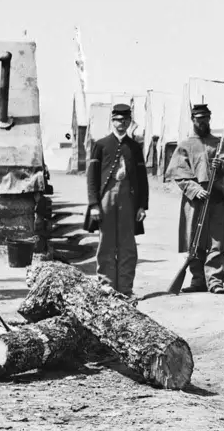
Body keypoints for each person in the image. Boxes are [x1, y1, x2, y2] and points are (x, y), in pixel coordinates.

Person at [166, 104, 224, 295]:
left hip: (216, 198)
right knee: (195, 240)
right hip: (194, 201)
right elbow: (179, 174)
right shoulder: (185, 146)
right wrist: (194, 189)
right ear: (193, 120)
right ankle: (198, 280)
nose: (203, 122)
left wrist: (222, 164)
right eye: (199, 118)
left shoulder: (220, 143)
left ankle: (215, 281)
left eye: (206, 118)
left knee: (216, 240)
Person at [84, 103, 148, 301]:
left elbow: (142, 178)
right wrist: (94, 204)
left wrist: (142, 206)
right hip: (106, 199)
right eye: (118, 120)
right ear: (112, 121)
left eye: (125, 120)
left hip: (128, 200)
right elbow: (92, 177)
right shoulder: (101, 145)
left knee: (128, 245)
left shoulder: (135, 147)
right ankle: (107, 287)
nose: (121, 124)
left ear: (130, 122)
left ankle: (125, 289)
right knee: (106, 244)